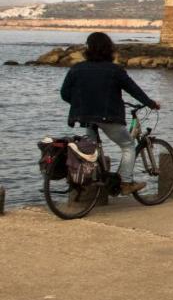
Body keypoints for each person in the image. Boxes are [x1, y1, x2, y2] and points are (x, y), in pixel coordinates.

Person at [59, 32, 160, 195]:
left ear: (88, 49)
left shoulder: (76, 68)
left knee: (90, 151)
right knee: (128, 146)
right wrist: (151, 104)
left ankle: (90, 184)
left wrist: (81, 105)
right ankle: (126, 183)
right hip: (107, 116)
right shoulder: (115, 70)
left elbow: (64, 93)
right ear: (109, 49)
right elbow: (134, 90)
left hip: (84, 116)